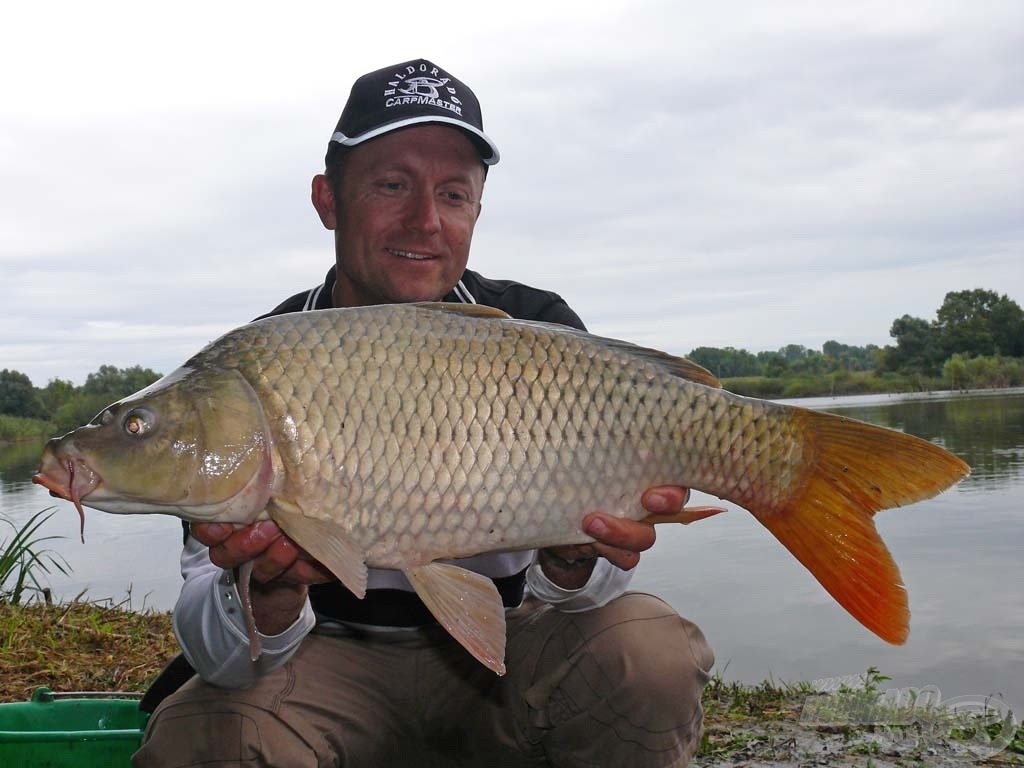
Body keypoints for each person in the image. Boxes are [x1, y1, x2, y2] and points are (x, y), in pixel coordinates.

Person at [134, 59, 714, 768]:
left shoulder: (538, 328)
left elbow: (586, 589)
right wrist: (272, 595)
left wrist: (571, 558)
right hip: (325, 666)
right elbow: (215, 650)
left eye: (453, 193)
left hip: (506, 650)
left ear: (476, 209)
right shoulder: (251, 373)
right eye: (391, 184)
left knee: (646, 654)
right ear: (328, 200)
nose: (425, 220)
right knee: (202, 736)